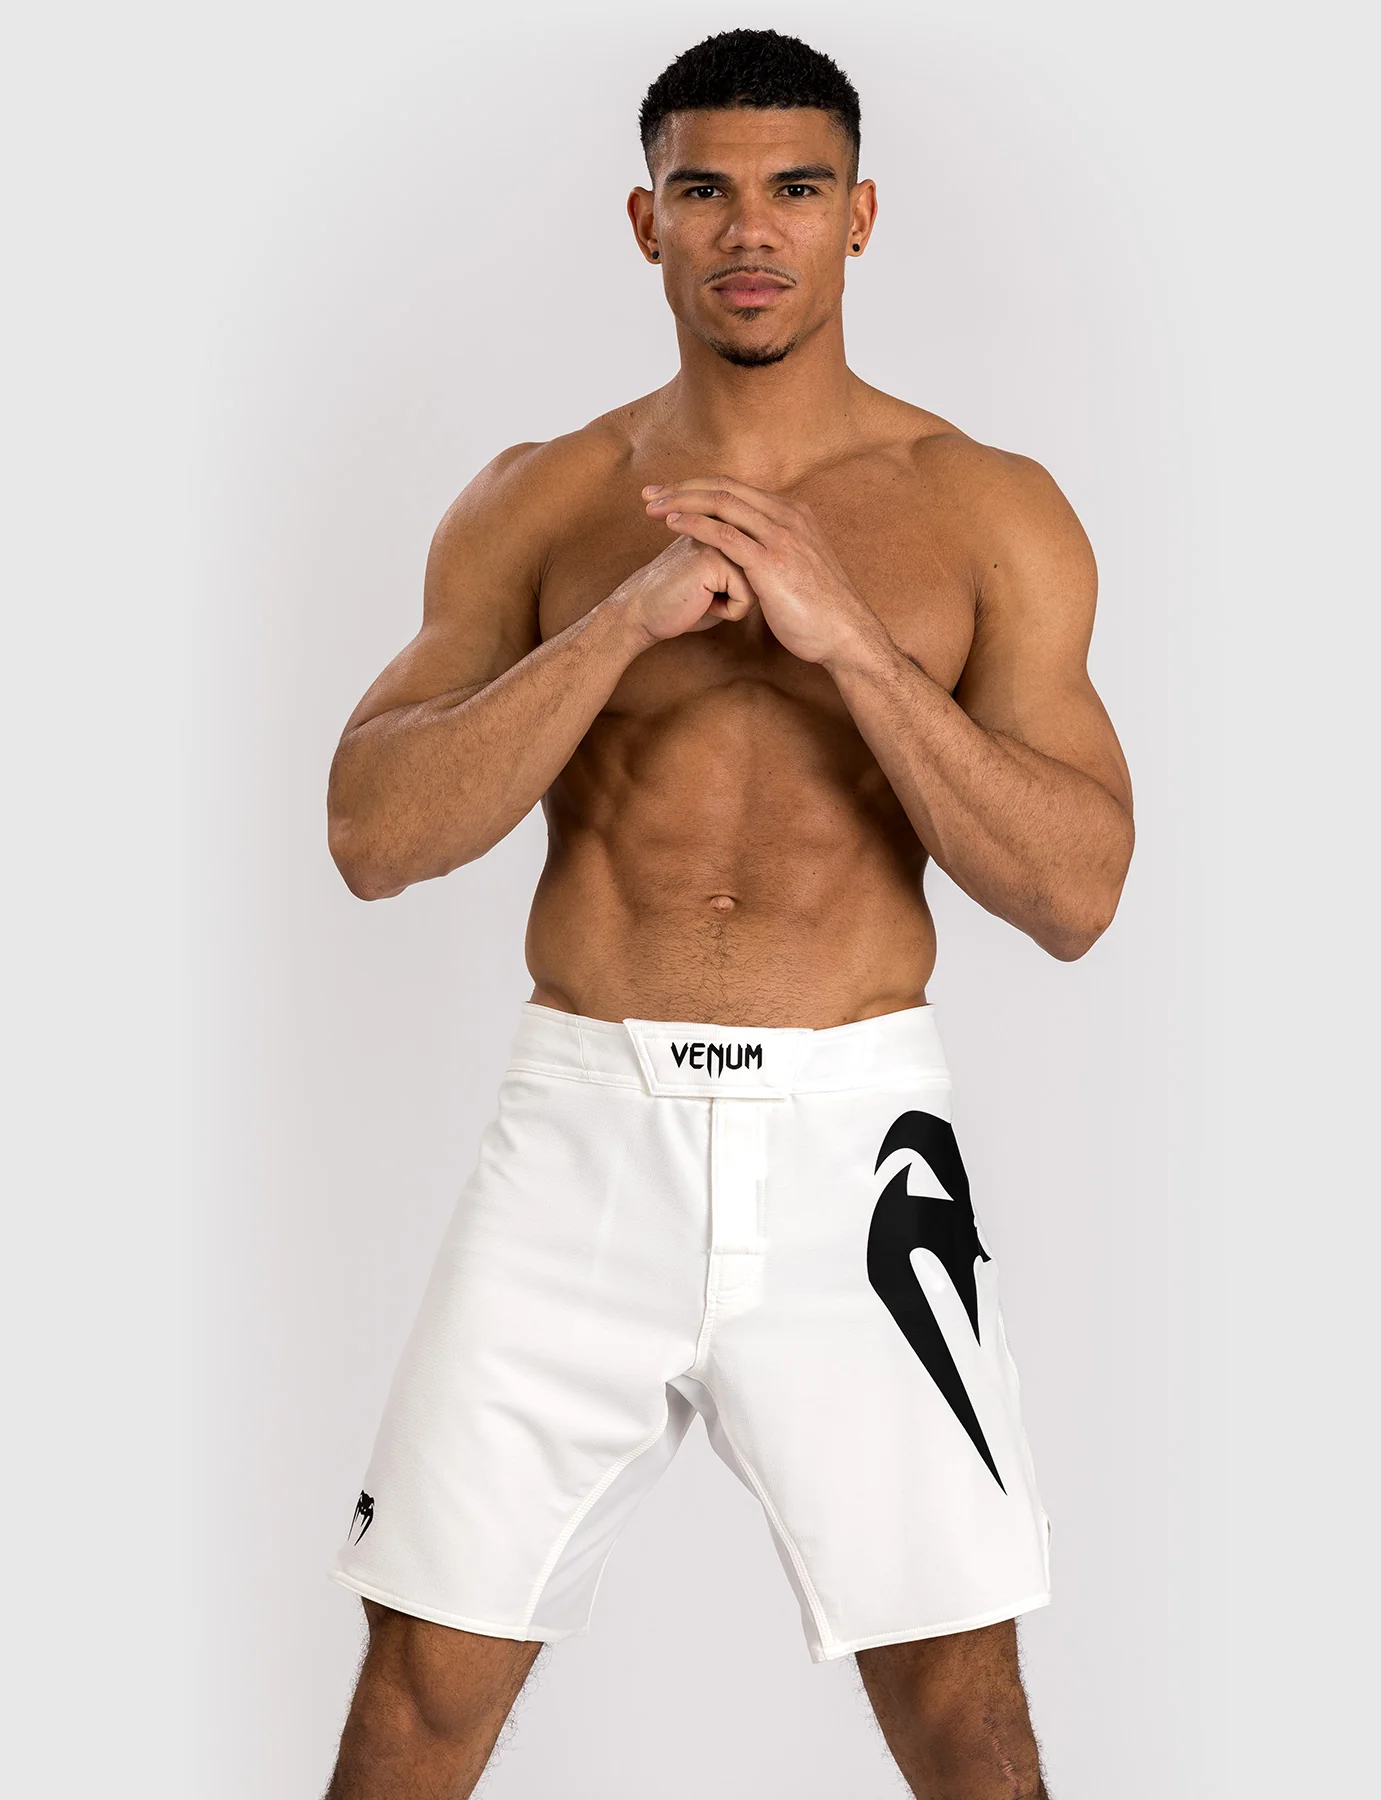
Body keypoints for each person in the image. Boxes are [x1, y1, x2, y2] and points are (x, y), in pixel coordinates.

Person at [322, 27, 1132, 1800]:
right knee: (421, 1687)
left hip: (857, 1148)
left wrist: (855, 647)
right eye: (704, 189)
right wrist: (615, 623)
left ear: (860, 217)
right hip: (581, 1138)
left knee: (962, 1702)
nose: (749, 228)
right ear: (647, 221)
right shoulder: (541, 500)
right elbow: (372, 834)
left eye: (795, 189)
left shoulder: (985, 511)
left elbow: (1077, 892)